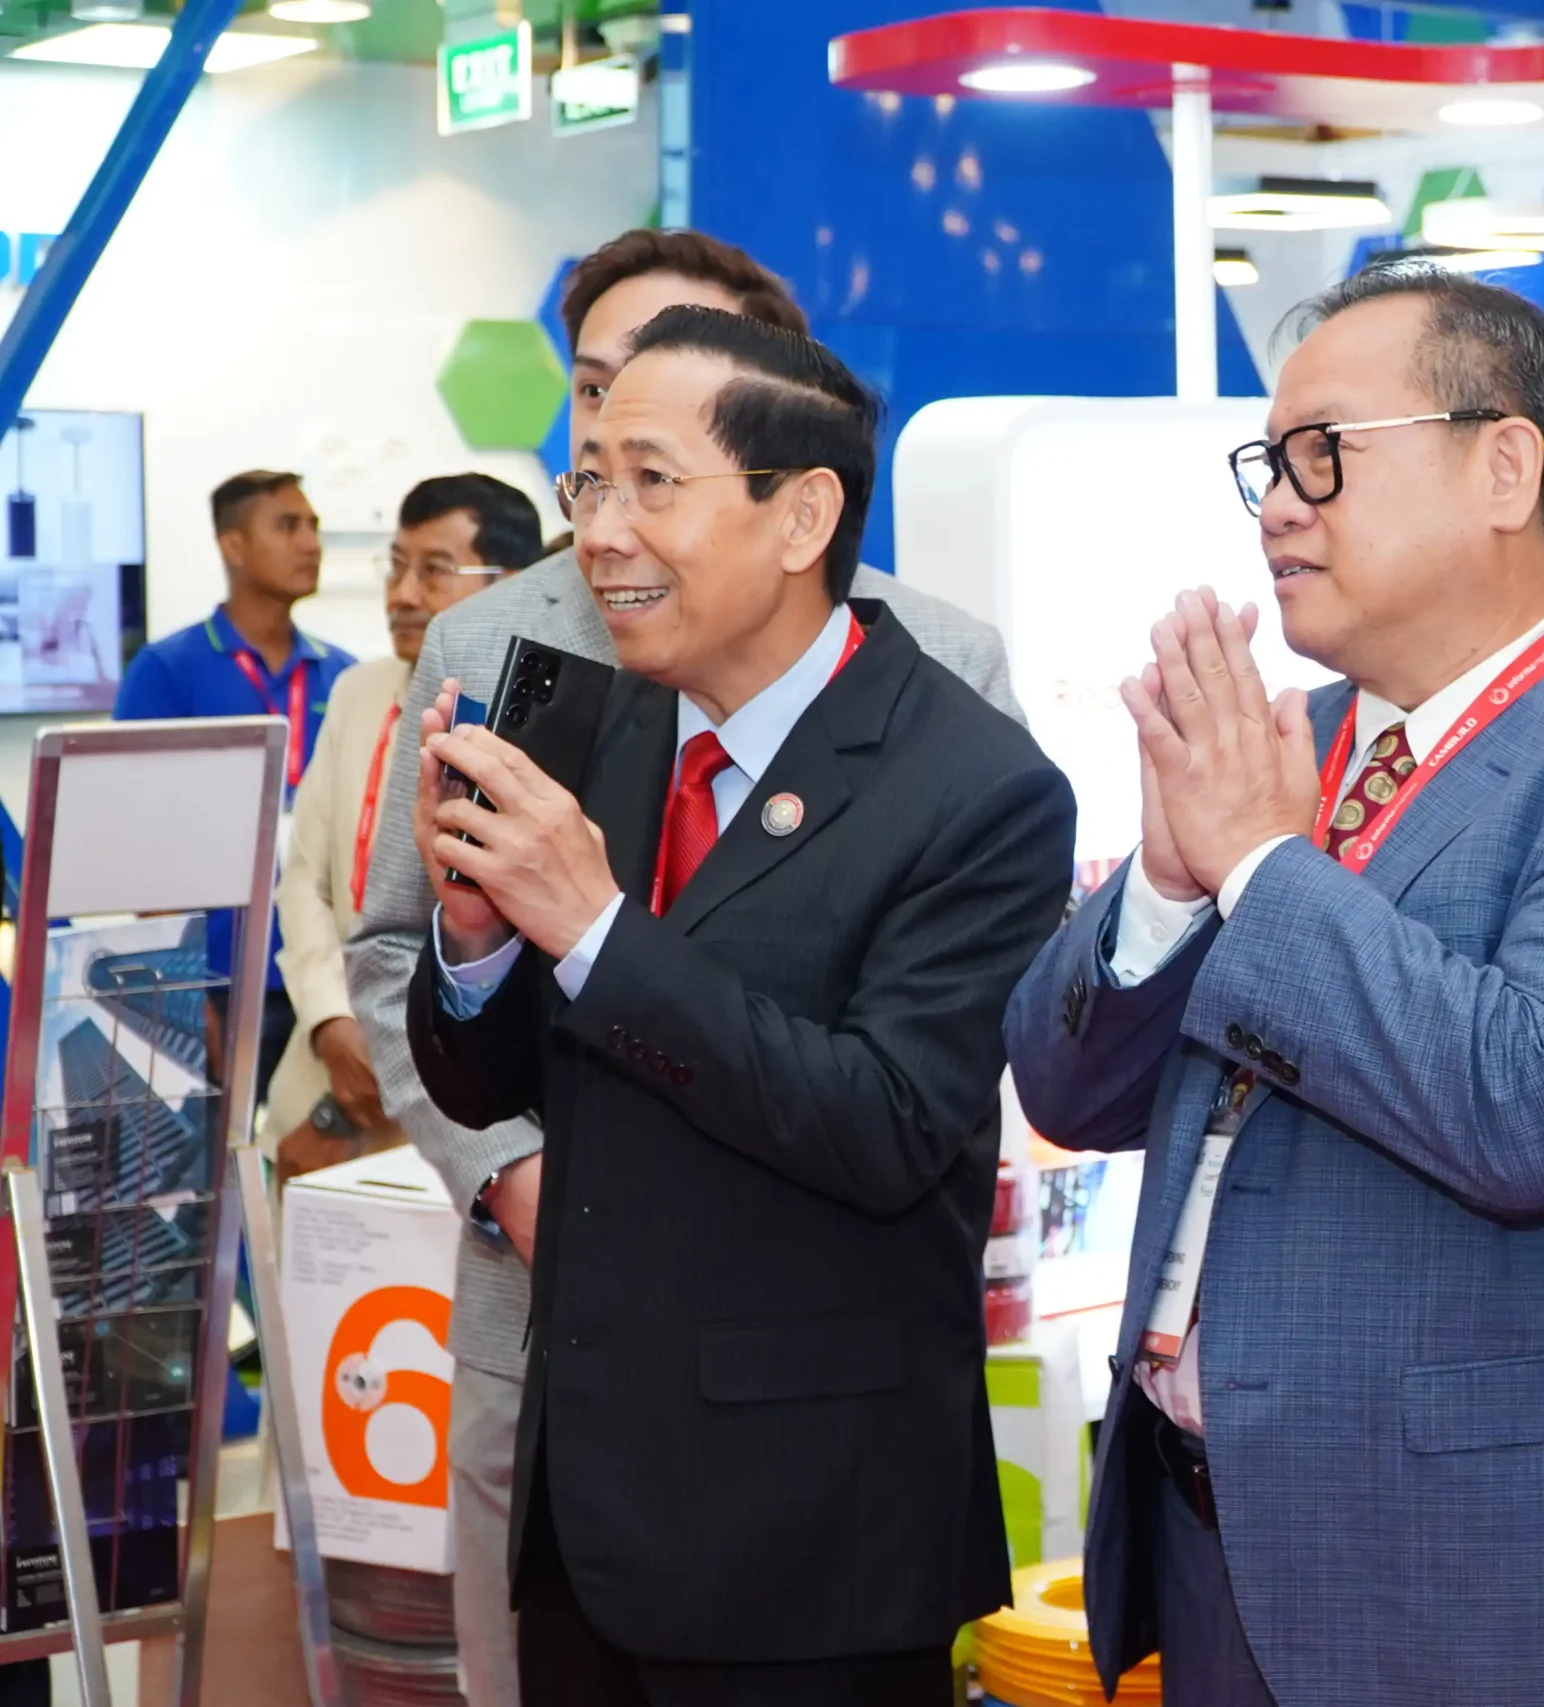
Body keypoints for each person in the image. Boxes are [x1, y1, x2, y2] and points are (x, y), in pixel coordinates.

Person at [1004, 264, 1544, 1707]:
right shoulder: (1288, 744)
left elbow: (1529, 1107)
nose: (1278, 506)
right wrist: (1168, 881)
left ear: (1504, 467)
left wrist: (1255, 865)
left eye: (1324, 454)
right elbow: (1068, 1088)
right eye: (1268, 463)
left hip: (1479, 1578)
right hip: (1214, 1541)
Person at [341, 226, 1021, 1707]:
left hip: (807, 1531)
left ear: (801, 514)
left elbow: (886, 1122)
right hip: (584, 1505)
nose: (601, 530)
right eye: (590, 479)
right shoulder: (601, 722)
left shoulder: (974, 779)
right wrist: (477, 949)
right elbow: (500, 1070)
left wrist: (590, 928)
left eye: (652, 482)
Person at [266, 474, 542, 1179]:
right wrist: (332, 1020)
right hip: (327, 1071)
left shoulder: (537, 718)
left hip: (466, 1111)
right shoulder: (356, 691)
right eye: (395, 567)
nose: (403, 594)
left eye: (434, 571)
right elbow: (306, 880)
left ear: (513, 583)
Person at [115, 470, 356, 1102]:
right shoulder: (168, 670)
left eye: (313, 527)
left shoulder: (342, 675)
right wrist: (180, 990)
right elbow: (140, 841)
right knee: (216, 1153)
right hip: (216, 976)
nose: (310, 544)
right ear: (234, 545)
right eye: (288, 526)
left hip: (326, 979)